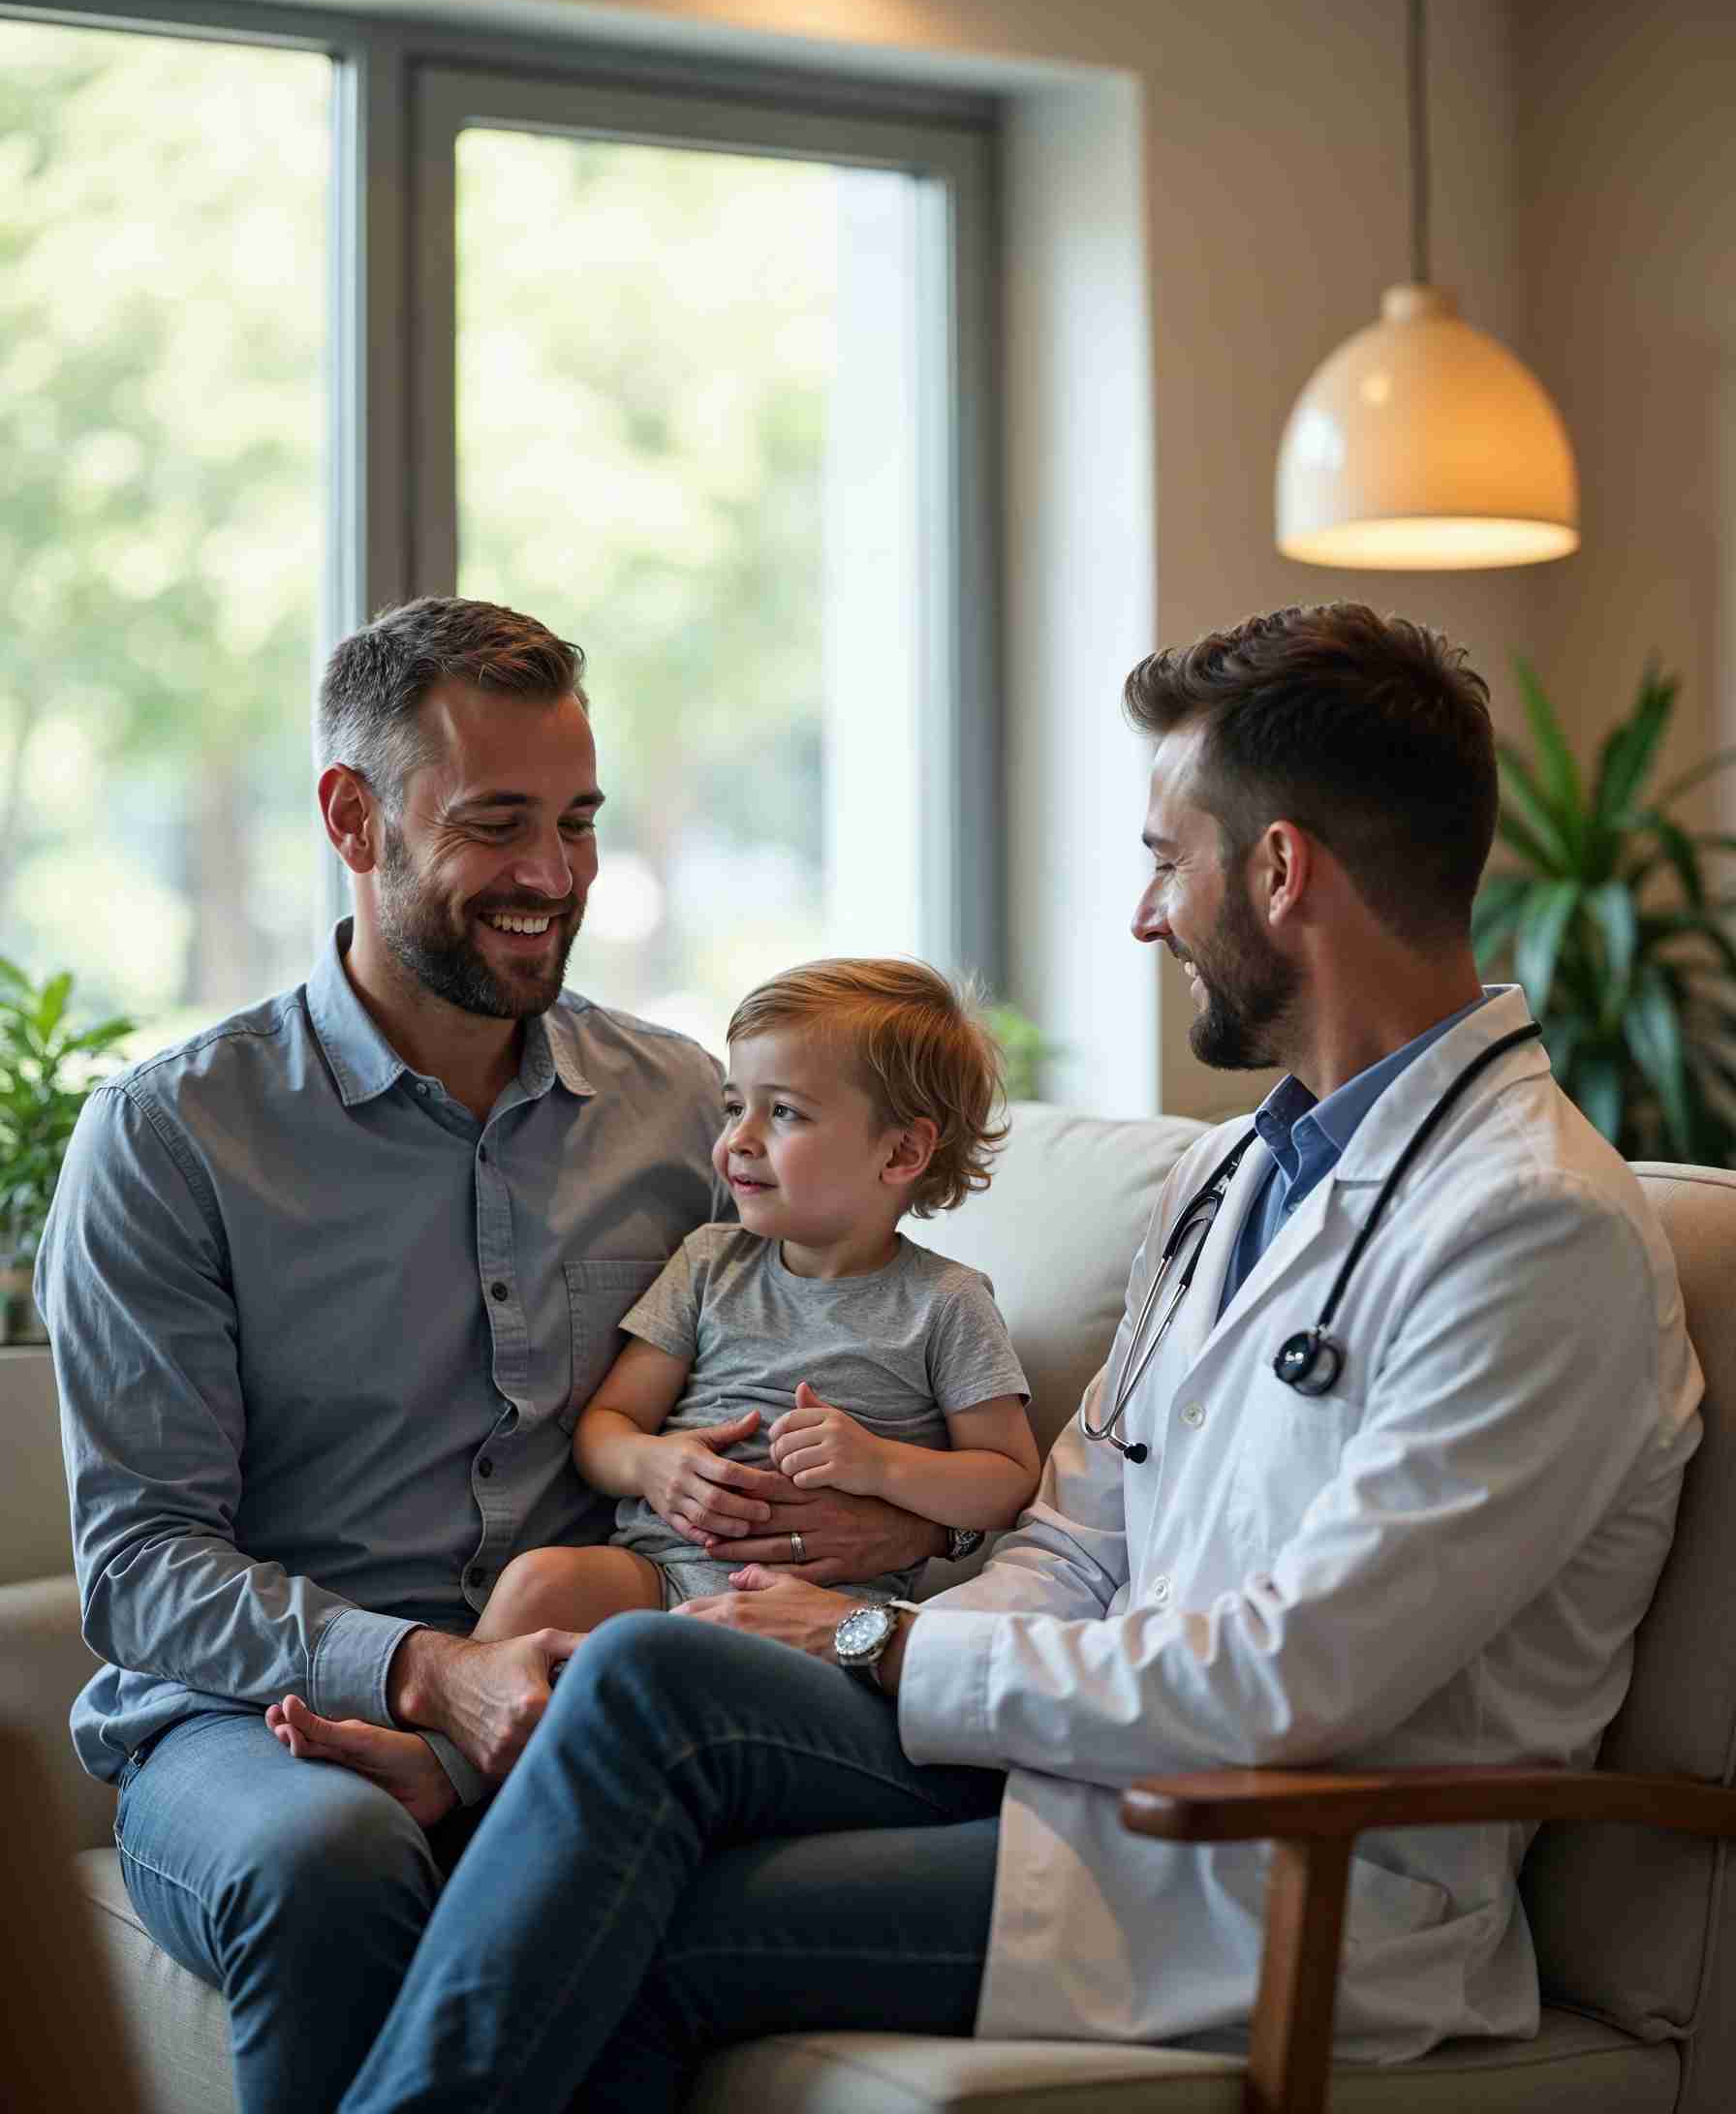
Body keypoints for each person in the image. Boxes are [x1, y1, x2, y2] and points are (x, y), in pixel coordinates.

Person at [330, 602, 1704, 2114]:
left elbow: (1289, 1683)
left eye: (1162, 861)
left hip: (1270, 1875)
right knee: (651, 1669)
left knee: (651, 1916)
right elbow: (1073, 1528)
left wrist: (883, 1641)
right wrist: (857, 1624)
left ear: (1279, 870)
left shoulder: (1532, 1230)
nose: (1143, 915)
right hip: (1081, 1769)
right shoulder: (1241, 1173)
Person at [35, 597, 953, 2114]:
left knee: (643, 1850)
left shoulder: (684, 1112)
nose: (552, 878)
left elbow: (846, 1352)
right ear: (354, 816)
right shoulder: (171, 1140)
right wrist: (423, 1671)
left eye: (579, 824)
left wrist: (895, 1513)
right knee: (330, 1860)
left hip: (596, 1685)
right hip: (256, 1723)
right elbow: (139, 1563)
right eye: (498, 825)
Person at [268, 958, 1040, 1818]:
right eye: (734, 1106)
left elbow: (1008, 1481)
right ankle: (447, 1756)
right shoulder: (710, 1262)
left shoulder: (946, 1303)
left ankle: (474, 1789)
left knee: (662, 1697)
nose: (738, 1139)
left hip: (813, 1612)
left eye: (782, 1113)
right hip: (656, 1572)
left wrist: (884, 1467)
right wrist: (654, 1464)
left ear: (903, 1151)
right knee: (538, 1583)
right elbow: (607, 1427)